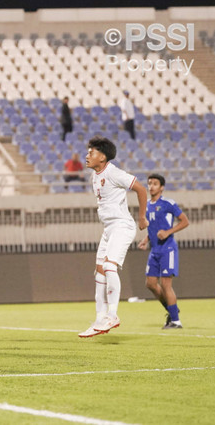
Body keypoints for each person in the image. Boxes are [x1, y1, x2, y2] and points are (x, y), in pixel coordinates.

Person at [78, 136, 148, 338]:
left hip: (122, 226)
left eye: (91, 152)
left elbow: (140, 189)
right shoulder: (95, 174)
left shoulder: (113, 172)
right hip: (109, 228)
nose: (87, 155)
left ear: (103, 156)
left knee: (109, 266)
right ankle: (100, 319)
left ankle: (112, 315)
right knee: (100, 272)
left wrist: (141, 217)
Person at [137, 174, 189, 329]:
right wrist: (146, 239)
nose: (151, 186)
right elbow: (152, 226)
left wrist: (168, 232)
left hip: (168, 248)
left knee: (166, 285)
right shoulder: (147, 205)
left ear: (161, 187)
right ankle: (172, 311)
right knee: (150, 284)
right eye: (149, 183)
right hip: (155, 250)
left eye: (155, 183)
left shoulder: (168, 203)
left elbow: (185, 221)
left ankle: (176, 321)